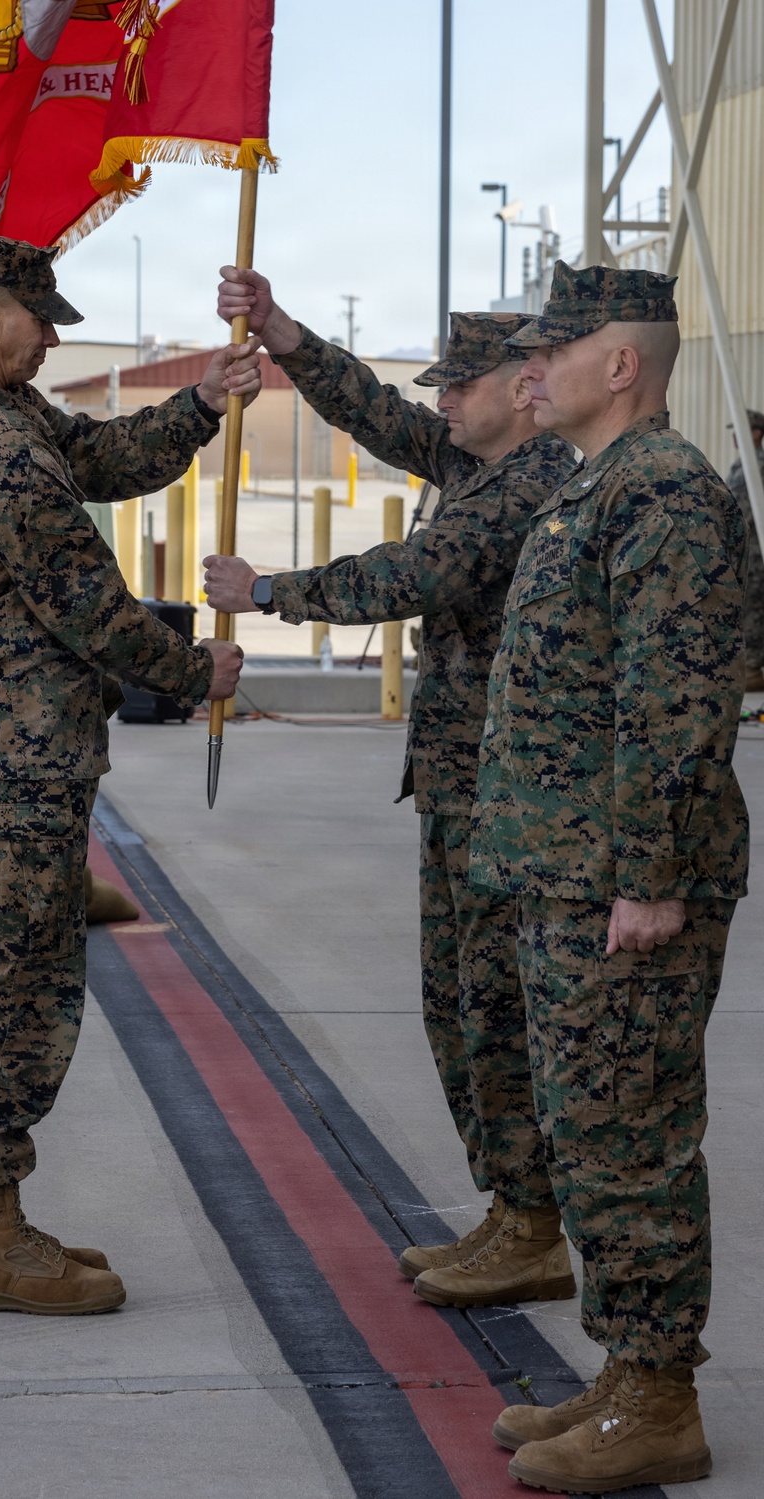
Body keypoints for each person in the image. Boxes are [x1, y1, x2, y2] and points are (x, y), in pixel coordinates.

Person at [0, 233, 253, 1316]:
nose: (51, 339)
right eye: (40, 320)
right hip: (11, 747)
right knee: (20, 980)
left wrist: (202, 401)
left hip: (12, 740)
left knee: (29, 959)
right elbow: (84, 600)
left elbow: (100, 459)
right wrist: (192, 668)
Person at [205, 266, 578, 1308]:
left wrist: (270, 589)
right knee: (454, 1005)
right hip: (458, 784)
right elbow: (371, 409)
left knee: (494, 1013)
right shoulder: (473, 457)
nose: (443, 400)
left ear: (523, 387)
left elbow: (417, 574)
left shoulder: (530, 484)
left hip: (509, 796)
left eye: (462, 384)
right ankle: (510, 1207)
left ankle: (533, 1222)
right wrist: (281, 330)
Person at [471, 262, 748, 1492]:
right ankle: (627, 1366)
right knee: (588, 1131)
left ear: (621, 362)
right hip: (567, 874)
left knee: (631, 1135)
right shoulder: (596, 488)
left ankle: (659, 1401)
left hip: (621, 886)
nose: (529, 371)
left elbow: (674, 708)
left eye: (552, 351)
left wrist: (648, 877)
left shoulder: (667, 495)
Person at [724, 408, 764, 690]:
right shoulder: (743, 464)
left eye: (741, 429)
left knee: (752, 608)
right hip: (745, 550)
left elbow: (745, 512)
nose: (735, 436)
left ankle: (752, 668)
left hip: (755, 553)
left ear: (756, 433)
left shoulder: (756, 465)